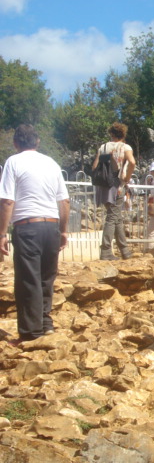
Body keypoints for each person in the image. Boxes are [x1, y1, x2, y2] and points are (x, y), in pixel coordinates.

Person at [0, 124, 70, 342]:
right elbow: (65, 201)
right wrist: (63, 231)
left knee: (28, 279)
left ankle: (32, 332)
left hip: (27, 226)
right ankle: (46, 323)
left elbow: (7, 201)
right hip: (51, 225)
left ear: (15, 143)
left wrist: (2, 233)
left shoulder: (13, 162)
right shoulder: (51, 163)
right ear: (37, 142)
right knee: (46, 277)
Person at [92, 122, 136, 261]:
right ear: (123, 134)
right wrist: (127, 177)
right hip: (117, 185)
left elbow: (94, 166)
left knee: (116, 217)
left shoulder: (103, 147)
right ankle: (105, 251)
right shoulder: (125, 147)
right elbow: (132, 162)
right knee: (112, 218)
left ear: (111, 134)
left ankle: (124, 250)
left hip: (103, 185)